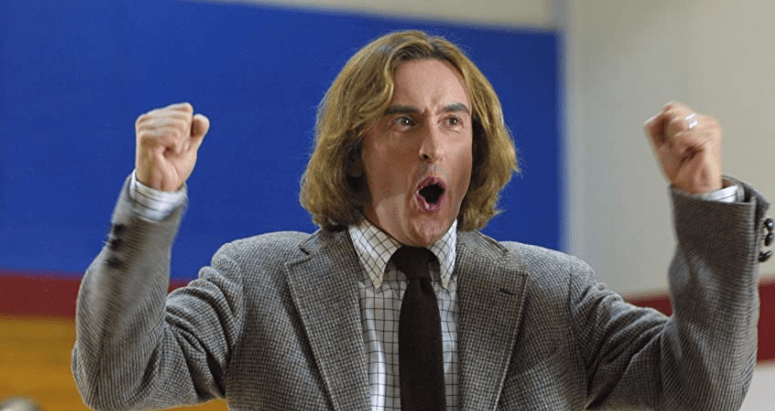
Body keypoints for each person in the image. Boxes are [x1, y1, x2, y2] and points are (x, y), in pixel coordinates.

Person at [72, 30, 770, 410]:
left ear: (476, 148)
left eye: (452, 121)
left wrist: (706, 205)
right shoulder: (255, 280)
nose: (432, 144)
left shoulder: (554, 292)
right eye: (403, 120)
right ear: (355, 147)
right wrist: (151, 201)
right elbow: (119, 383)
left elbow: (702, 390)